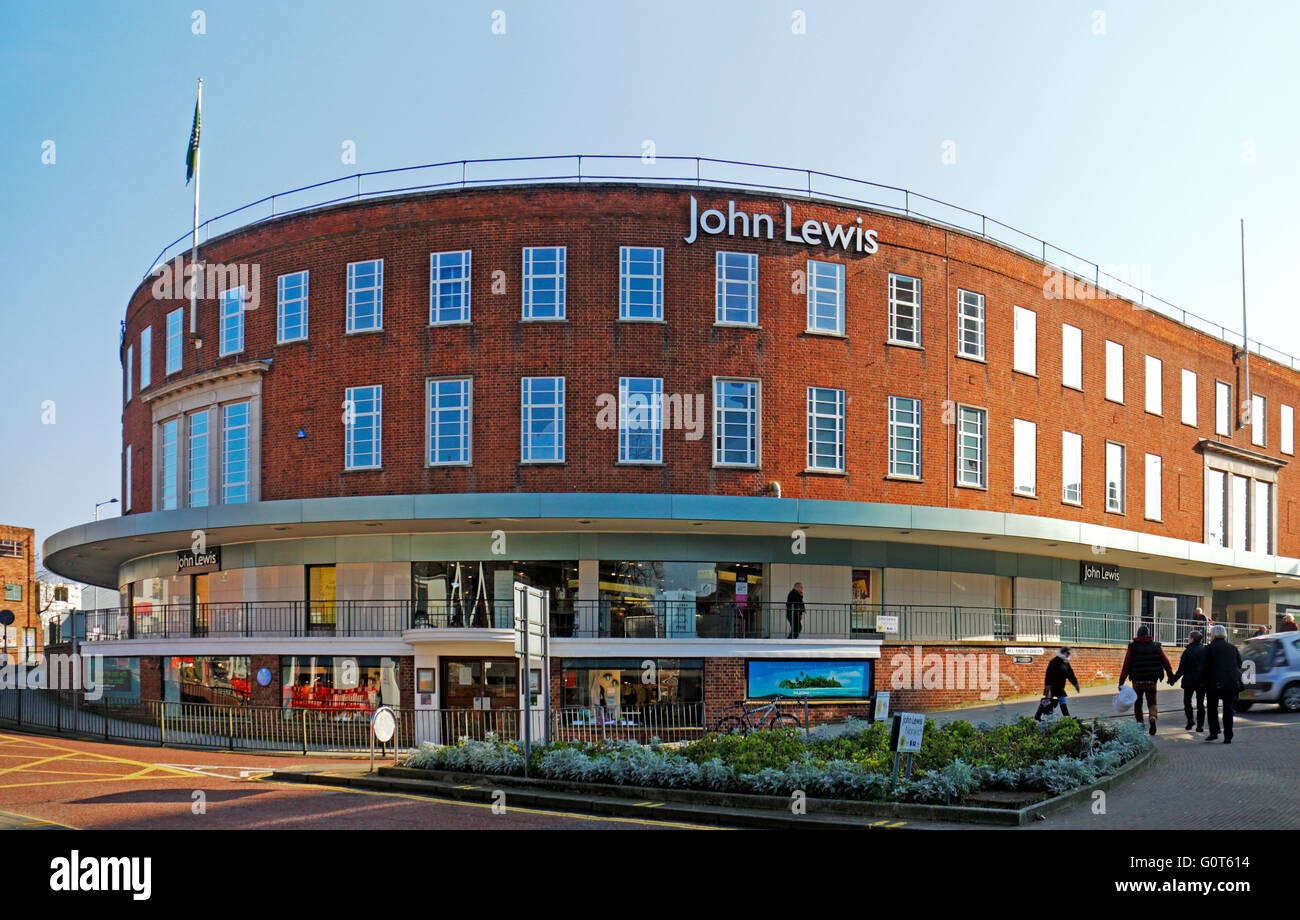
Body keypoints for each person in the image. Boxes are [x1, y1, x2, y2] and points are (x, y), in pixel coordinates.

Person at [1118, 625, 1175, 735]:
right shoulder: (1156, 646)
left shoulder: (1133, 647)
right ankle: (1152, 717)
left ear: (1138, 634)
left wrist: (1121, 682)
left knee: (1138, 703)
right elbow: (1166, 662)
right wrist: (1171, 676)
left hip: (1137, 681)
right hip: (1151, 680)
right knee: (1152, 703)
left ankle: (1140, 724)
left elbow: (1126, 665)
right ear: (1148, 634)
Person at [1204, 624, 1244, 744]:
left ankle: (1214, 732)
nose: (1210, 636)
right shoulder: (1232, 648)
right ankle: (1228, 736)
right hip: (1231, 682)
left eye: (1210, 634)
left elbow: (1204, 666)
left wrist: (1201, 682)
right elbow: (1239, 663)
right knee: (1228, 710)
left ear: (1214, 635)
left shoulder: (1209, 648)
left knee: (1212, 708)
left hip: (1214, 683)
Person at [1170, 630, 1208, 732]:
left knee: (1187, 701)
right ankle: (1200, 725)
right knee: (1200, 703)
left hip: (1189, 680)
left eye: (1189, 637)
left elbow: (1181, 669)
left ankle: (1190, 719)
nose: (1187, 639)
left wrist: (1173, 679)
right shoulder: (1205, 650)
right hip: (1202, 680)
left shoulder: (1187, 651)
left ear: (1192, 639)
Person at [1034, 647, 1080, 721]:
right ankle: (1038, 716)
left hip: (1058, 686)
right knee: (1047, 701)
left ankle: (1066, 717)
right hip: (1051, 685)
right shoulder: (1055, 661)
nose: (1069, 655)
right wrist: (1049, 686)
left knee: (1062, 699)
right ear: (1063, 653)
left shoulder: (1065, 662)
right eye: (1067, 653)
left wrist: (1075, 684)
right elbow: (1049, 674)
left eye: (1069, 653)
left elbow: (1070, 674)